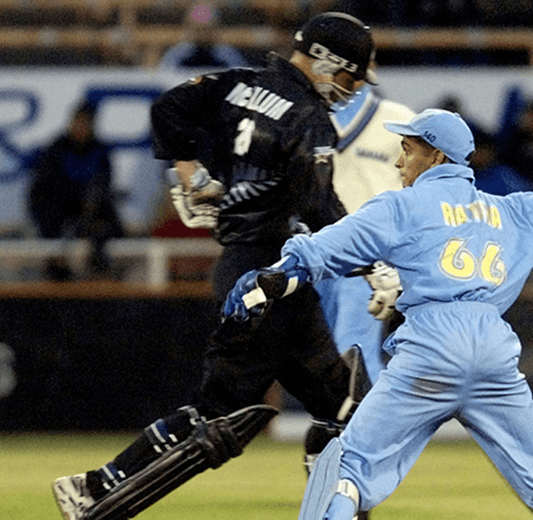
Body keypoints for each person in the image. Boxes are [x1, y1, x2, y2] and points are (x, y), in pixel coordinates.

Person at [223, 109, 533, 520]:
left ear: (436, 156)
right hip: (492, 349)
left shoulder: (404, 206)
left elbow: (321, 250)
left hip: (431, 346)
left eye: (407, 149)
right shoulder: (516, 211)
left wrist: (271, 276)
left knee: (346, 466)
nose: (399, 162)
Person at [52, 12, 378, 520]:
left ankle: (332, 509)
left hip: (260, 268)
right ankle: (97, 488)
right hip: (266, 275)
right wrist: (371, 259)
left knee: (343, 405)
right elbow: (318, 207)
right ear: (326, 61)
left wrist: (191, 175)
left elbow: (168, 108)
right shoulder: (310, 117)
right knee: (218, 417)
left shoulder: (237, 83)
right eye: (351, 74)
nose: (353, 88)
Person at [315, 83, 415, 383]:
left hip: (374, 253)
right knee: (326, 354)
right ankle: (344, 427)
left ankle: (375, 428)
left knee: (354, 347)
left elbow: (428, 182)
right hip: (317, 249)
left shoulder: (399, 118)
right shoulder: (307, 115)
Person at [27, 101, 124, 280]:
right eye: (78, 122)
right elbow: (45, 189)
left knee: (107, 227)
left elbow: (104, 184)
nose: (81, 128)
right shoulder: (56, 150)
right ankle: (57, 271)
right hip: (59, 209)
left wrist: (91, 204)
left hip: (89, 210)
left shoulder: (99, 151)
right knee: (55, 225)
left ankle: (101, 271)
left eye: (86, 123)